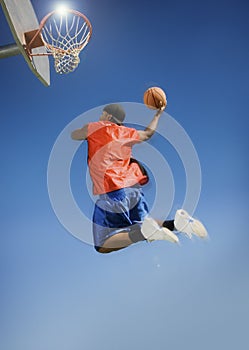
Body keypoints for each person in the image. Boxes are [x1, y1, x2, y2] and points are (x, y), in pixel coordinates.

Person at [71, 104, 207, 254]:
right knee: (145, 225)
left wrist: (83, 130)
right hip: (134, 190)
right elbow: (148, 134)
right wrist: (158, 114)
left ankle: (143, 233)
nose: (100, 118)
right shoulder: (127, 133)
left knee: (103, 244)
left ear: (108, 116)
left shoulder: (95, 127)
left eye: (102, 115)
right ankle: (177, 224)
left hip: (113, 191)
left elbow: (74, 135)